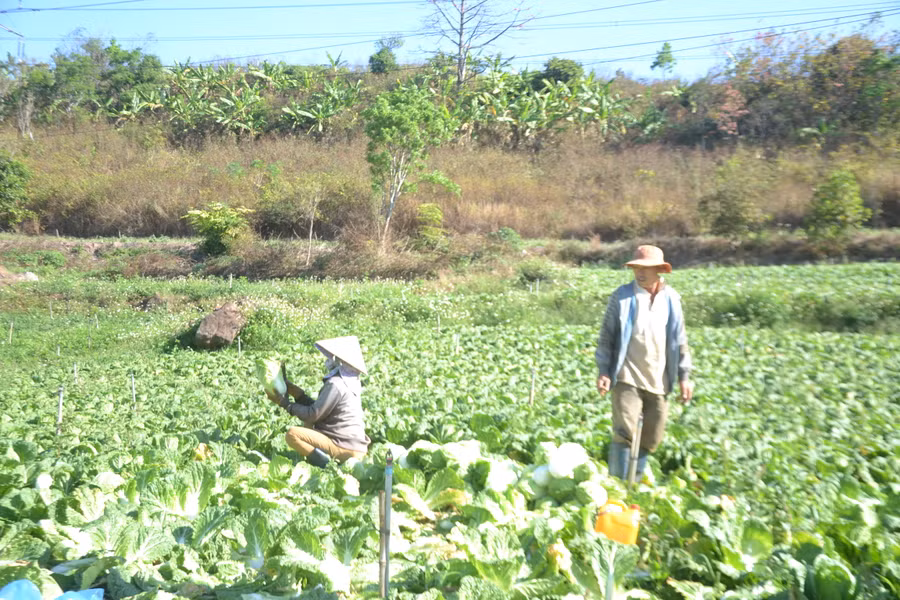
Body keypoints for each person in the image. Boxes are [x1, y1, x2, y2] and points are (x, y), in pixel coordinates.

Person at [594, 245, 693, 481]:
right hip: (627, 375)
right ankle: (618, 486)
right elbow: (607, 337)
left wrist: (684, 376)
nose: (640, 272)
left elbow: (680, 339)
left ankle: (635, 481)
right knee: (625, 432)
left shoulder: (671, 299)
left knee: (651, 435)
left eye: (645, 268)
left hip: (660, 378)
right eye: (636, 267)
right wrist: (604, 371)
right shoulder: (622, 297)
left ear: (660, 270)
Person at [266, 335, 371, 468]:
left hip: (345, 447)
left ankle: (327, 466)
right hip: (354, 446)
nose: (328, 360)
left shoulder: (336, 384)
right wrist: (296, 392)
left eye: (332, 357)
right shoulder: (350, 381)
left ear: (339, 361)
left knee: (293, 434)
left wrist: (285, 404)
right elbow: (319, 409)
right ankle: (323, 460)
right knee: (308, 423)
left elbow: (313, 414)